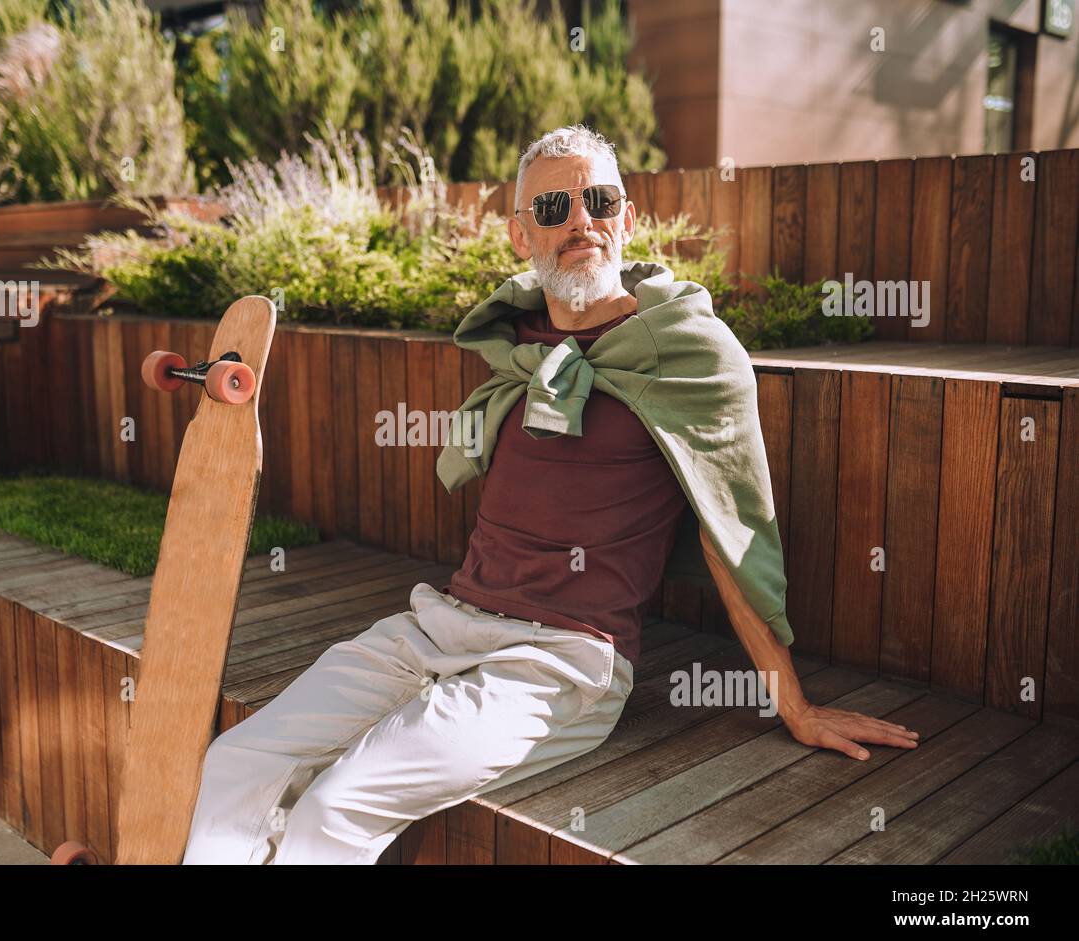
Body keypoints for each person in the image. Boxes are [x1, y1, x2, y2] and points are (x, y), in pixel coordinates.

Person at [181, 124, 919, 865]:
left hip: (559, 661)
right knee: (238, 762)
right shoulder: (521, 347)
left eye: (599, 200)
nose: (580, 222)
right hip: (440, 626)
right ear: (520, 234)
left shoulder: (688, 356)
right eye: (555, 206)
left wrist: (791, 702)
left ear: (627, 219)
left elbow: (731, 530)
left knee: (333, 810)